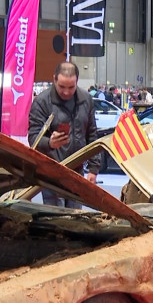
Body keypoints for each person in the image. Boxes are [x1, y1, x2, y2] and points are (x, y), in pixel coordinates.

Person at [28, 61, 101, 208]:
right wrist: (49, 143)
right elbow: (33, 138)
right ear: (54, 79)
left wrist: (93, 169)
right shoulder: (42, 102)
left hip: (77, 173)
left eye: (71, 87)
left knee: (75, 219)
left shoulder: (86, 100)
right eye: (62, 86)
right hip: (51, 174)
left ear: (77, 81)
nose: (66, 92)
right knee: (55, 220)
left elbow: (92, 135)